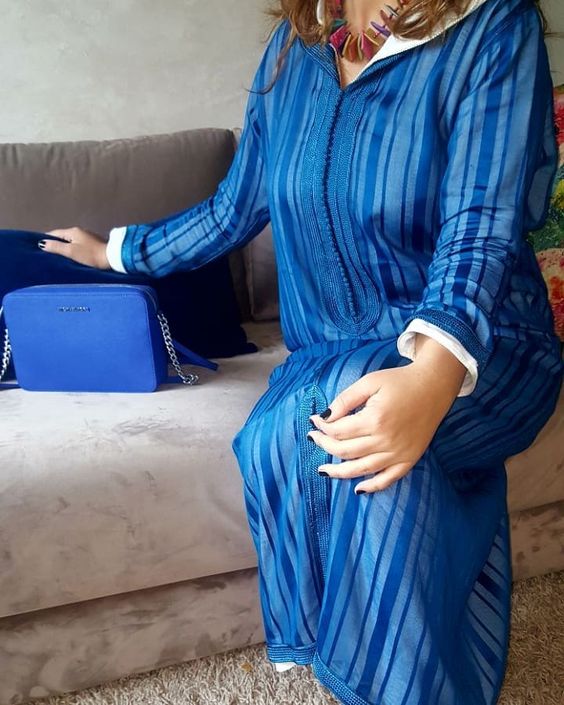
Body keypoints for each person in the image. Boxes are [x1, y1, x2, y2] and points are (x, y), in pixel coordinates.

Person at [39, 0, 563, 702]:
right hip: (333, 354)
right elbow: (232, 209)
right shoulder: (293, 52)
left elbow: (482, 222)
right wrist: (115, 252)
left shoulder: (492, 26)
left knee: (351, 429)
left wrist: (433, 374)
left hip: (485, 345)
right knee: (305, 435)